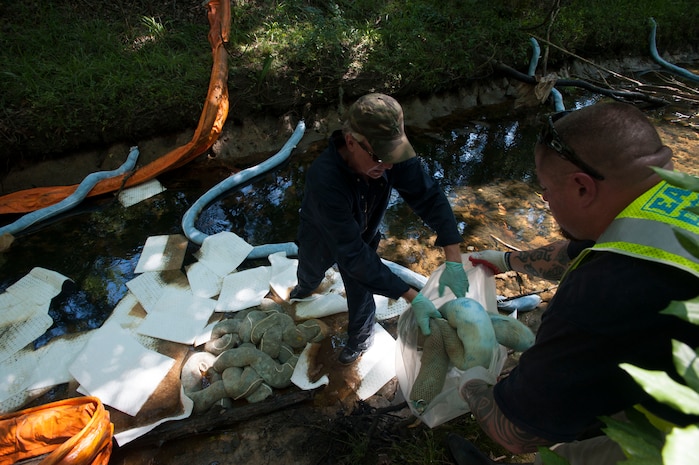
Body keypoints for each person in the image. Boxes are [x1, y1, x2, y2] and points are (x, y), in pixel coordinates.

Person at [449, 102, 699, 465]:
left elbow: (516, 432)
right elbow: (593, 245)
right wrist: (506, 260)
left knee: (568, 457)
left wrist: (470, 378)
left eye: (546, 189)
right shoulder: (678, 194)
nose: (545, 199)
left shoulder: (599, 295)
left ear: (582, 188)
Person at [291, 93, 469, 364]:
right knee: (310, 269)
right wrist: (412, 296)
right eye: (379, 157)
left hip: (363, 232)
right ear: (351, 142)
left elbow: (429, 197)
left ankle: (360, 341)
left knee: (362, 285)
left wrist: (454, 259)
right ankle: (305, 288)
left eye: (393, 156)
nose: (387, 166)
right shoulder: (324, 178)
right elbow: (350, 254)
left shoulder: (389, 156)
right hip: (320, 233)